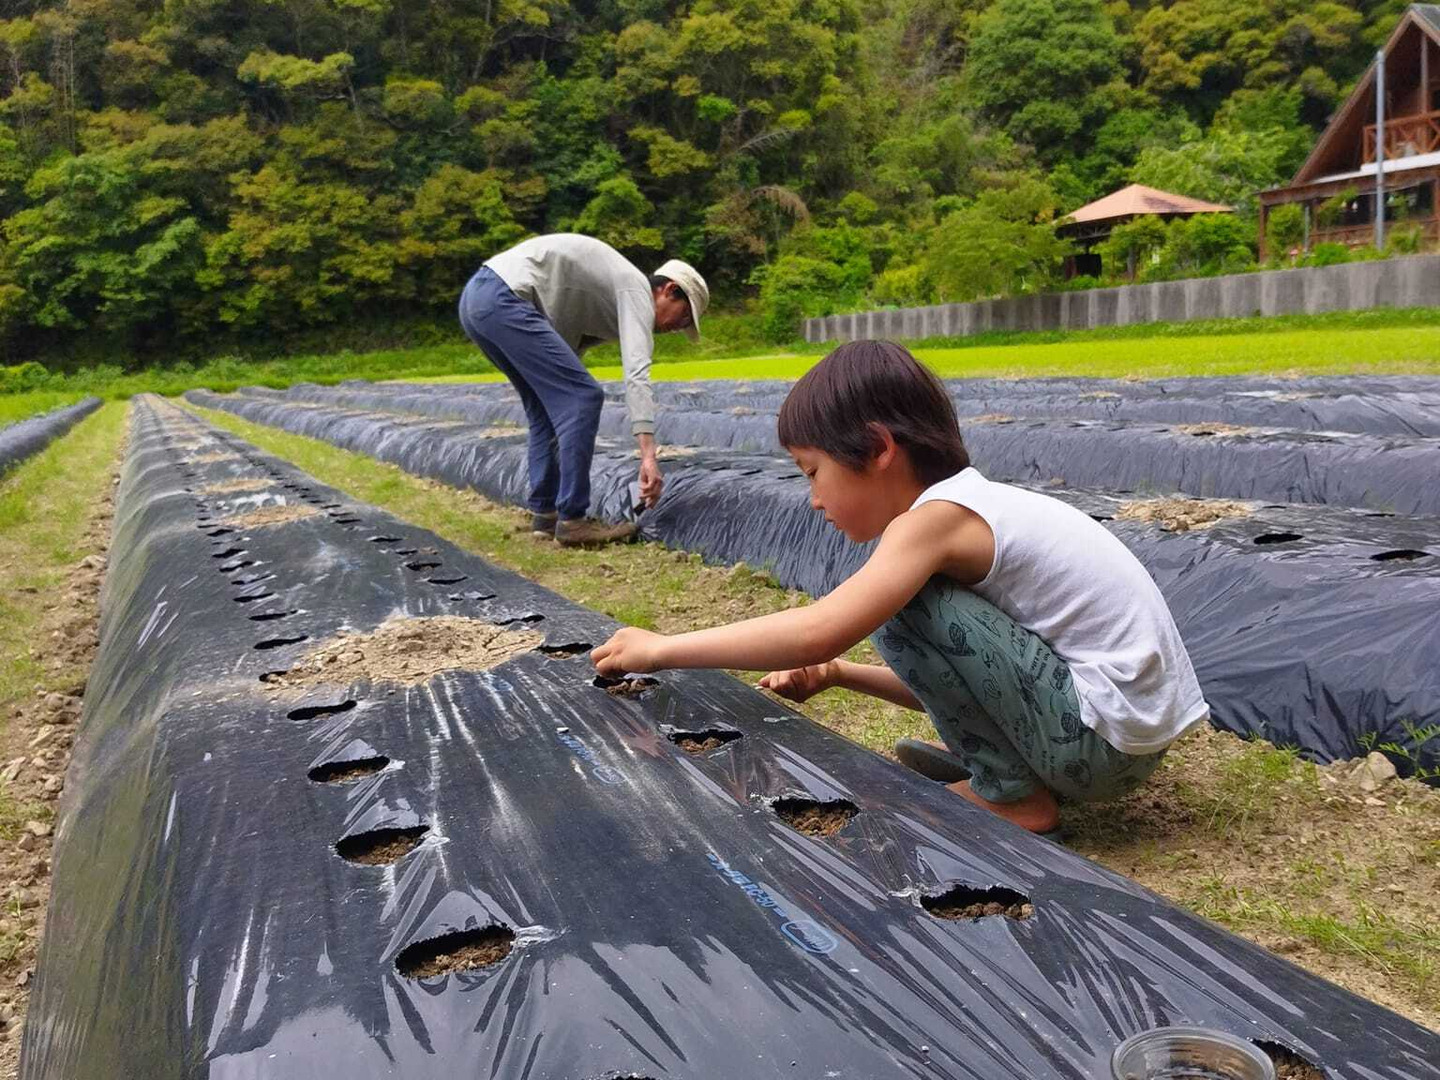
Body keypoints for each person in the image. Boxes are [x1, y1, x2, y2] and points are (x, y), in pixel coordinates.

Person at [591, 340, 1209, 835]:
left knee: (903, 604)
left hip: (1097, 743)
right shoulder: (971, 508)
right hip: (1119, 743)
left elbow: (818, 630)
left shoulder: (934, 522)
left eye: (814, 472)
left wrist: (662, 649)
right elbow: (978, 678)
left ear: (879, 448)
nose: (814, 499)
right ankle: (1007, 772)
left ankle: (1011, 793)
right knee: (913, 603)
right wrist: (841, 675)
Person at [459, 234, 709, 547]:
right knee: (584, 397)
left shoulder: (608, 299)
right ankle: (573, 520)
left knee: (546, 408)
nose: (677, 328)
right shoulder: (635, 289)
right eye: (683, 316)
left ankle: (545, 517)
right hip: (503, 298)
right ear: (668, 290)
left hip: (478, 300)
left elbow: (567, 348)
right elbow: (637, 374)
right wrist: (648, 456)